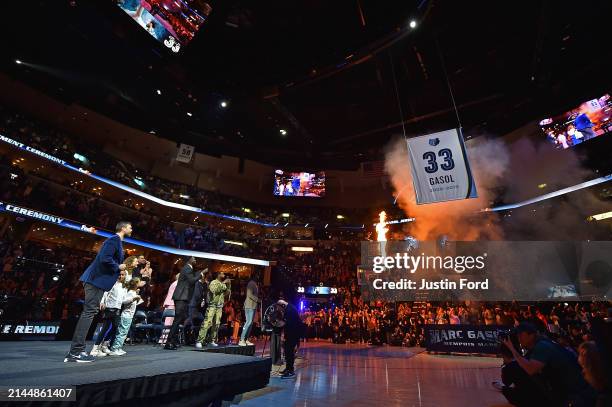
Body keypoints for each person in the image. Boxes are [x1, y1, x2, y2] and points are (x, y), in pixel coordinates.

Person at [64, 221, 132, 363]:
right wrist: (118, 266)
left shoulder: (117, 242)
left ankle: (77, 351)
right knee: (89, 313)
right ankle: (75, 353)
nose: (131, 229)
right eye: (130, 227)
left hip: (98, 282)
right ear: (123, 228)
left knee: (90, 313)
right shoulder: (114, 240)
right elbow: (104, 258)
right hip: (95, 281)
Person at [501, 322, 594, 406]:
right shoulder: (543, 343)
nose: (518, 338)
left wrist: (512, 350)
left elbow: (530, 369)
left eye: (520, 334)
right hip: (573, 391)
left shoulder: (542, 346)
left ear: (531, 335)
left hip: (575, 394)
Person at [165, 257, 201, 350]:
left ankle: (172, 341)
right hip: (181, 297)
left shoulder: (188, 269)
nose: (195, 260)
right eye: (194, 259)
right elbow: (192, 280)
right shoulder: (187, 268)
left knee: (178, 320)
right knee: (177, 320)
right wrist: (200, 274)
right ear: (189, 260)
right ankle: (168, 342)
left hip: (182, 298)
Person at [108, 278, 142, 356]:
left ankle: (118, 347)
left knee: (124, 332)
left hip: (129, 315)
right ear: (136, 284)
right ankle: (114, 348)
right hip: (126, 315)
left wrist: (136, 296)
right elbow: (124, 301)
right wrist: (134, 298)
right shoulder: (130, 292)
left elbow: (135, 304)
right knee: (121, 332)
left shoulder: (133, 292)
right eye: (139, 282)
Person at [196, 271, 230, 348]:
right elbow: (214, 290)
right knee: (207, 322)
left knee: (217, 324)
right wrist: (223, 283)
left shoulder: (222, 284)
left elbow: (227, 293)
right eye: (222, 273)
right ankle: (200, 340)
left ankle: (212, 340)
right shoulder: (213, 282)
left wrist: (228, 285)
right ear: (218, 275)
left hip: (219, 307)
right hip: (212, 306)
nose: (224, 274)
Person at [277, 299, 301, 379]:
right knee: (288, 352)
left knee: (289, 352)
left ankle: (290, 371)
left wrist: (284, 335)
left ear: (282, 305)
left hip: (292, 334)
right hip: (293, 334)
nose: (281, 311)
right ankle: (288, 368)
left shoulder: (289, 310)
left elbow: (289, 324)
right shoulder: (290, 308)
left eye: (280, 309)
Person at [239, 272, 259, 346]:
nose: (258, 277)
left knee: (250, 323)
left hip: (252, 306)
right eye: (257, 275)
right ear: (254, 276)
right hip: (249, 306)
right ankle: (241, 339)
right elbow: (249, 294)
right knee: (248, 322)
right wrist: (258, 300)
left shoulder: (254, 284)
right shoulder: (251, 283)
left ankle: (246, 339)